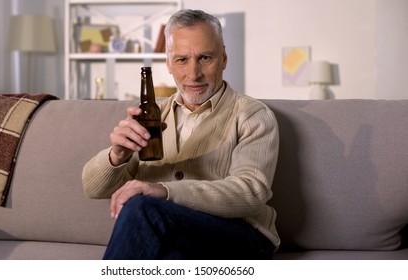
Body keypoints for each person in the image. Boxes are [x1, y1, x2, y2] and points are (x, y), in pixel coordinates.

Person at [82, 9, 280, 260]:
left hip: (243, 237)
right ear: (168, 64)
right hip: (176, 236)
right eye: (182, 60)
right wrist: (117, 155)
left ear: (223, 59)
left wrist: (165, 191)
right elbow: (92, 188)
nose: (193, 74)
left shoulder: (252, 115)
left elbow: (251, 191)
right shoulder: (152, 114)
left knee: (141, 208)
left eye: (205, 58)